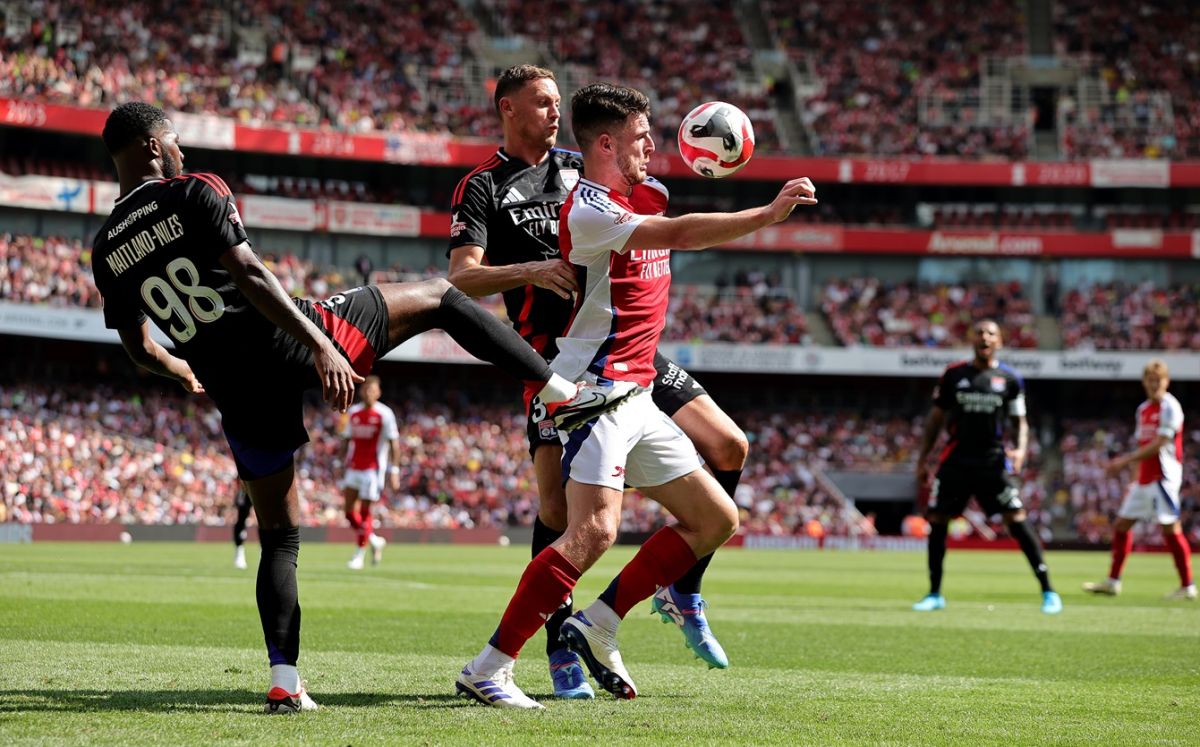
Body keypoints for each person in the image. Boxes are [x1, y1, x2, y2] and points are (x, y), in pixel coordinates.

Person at [91, 102, 634, 714]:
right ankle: (562, 393)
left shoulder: (104, 247)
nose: (182, 152)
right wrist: (320, 343)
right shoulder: (193, 189)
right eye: (175, 142)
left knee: (279, 536)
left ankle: (285, 680)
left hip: (234, 387)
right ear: (151, 148)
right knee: (440, 293)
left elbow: (138, 347)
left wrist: (183, 368)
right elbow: (247, 271)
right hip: (288, 341)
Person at [455, 82, 817, 708]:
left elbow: (664, 215)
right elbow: (679, 234)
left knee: (715, 518)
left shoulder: (627, 194)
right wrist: (764, 216)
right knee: (589, 530)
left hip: (637, 390)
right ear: (604, 144)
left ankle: (597, 623)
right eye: (641, 137)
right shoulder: (592, 210)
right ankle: (488, 667)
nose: (654, 145)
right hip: (593, 391)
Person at [913, 320, 1063, 615]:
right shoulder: (954, 374)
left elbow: (1019, 422)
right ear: (972, 340)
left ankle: (1048, 591)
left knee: (1017, 518)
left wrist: (1019, 449)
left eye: (991, 333)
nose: (985, 337)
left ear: (1000, 341)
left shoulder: (1009, 379)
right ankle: (934, 594)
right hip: (955, 459)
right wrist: (923, 460)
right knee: (938, 520)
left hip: (991, 461)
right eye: (980, 332)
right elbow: (935, 420)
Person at [1083, 359, 1195, 600]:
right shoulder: (1143, 409)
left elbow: (1159, 444)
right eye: (1150, 380)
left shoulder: (1170, 407)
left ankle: (1187, 586)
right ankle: (1113, 582)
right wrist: (1133, 479)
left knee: (1170, 529)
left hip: (1163, 477)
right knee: (1122, 526)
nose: (1154, 384)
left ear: (1167, 382)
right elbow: (1142, 445)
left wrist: (1122, 461)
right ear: (1144, 382)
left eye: (1159, 380)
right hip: (1144, 479)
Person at [341, 375, 399, 570]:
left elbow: (394, 443)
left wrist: (394, 470)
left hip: (373, 471)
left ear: (379, 393)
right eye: (366, 390)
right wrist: (340, 462)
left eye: (372, 390)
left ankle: (359, 555)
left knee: (365, 513)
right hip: (353, 467)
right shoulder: (354, 412)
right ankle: (373, 539)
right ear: (361, 392)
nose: (368, 393)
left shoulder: (385, 414)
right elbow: (346, 438)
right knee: (349, 513)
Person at [232, 486, 252, 569]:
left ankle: (264, 552)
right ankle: (239, 552)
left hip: (264, 483)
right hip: (246, 485)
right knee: (241, 518)